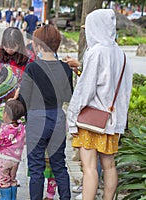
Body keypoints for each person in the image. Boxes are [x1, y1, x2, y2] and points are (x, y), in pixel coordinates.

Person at [66, 9, 132, 200]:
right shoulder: (121, 54)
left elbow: (85, 90)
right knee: (109, 165)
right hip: (111, 120)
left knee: (89, 168)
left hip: (92, 120)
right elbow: (123, 89)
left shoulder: (95, 52)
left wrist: (72, 117)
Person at [19, 24, 73, 200]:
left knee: (36, 168)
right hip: (57, 116)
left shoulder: (33, 68)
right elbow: (67, 95)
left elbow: (24, 99)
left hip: (36, 118)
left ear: (39, 45)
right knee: (59, 165)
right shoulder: (65, 68)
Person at [0, 99, 26, 200]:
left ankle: (5, 198)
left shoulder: (5, 129)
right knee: (12, 180)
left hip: (4, 159)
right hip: (15, 160)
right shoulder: (21, 127)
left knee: (3, 181)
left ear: (6, 114)